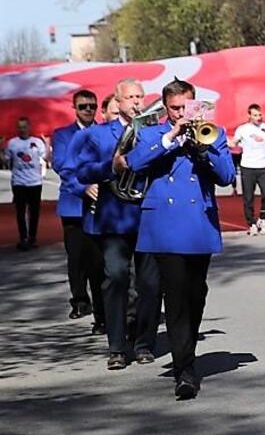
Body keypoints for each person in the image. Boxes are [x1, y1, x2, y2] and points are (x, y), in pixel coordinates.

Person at [124, 79, 235, 399]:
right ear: (165, 108)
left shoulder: (214, 133)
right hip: (165, 226)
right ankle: (185, 369)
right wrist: (171, 138)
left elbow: (227, 176)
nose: (180, 114)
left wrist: (204, 151)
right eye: (174, 109)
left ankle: (185, 351)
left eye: (185, 108)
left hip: (198, 224)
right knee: (174, 295)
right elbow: (135, 162)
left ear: (195, 104)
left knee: (195, 292)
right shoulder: (151, 133)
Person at [75, 79, 162, 369]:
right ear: (119, 101)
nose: (136, 101)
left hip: (149, 215)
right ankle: (116, 346)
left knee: (150, 284)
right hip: (115, 216)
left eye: (140, 96)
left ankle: (144, 343)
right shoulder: (99, 135)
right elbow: (83, 171)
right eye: (130, 97)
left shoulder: (155, 131)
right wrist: (111, 166)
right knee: (116, 277)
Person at [50, 90, 102, 317]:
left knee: (99, 258)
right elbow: (61, 164)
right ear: (75, 109)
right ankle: (80, 300)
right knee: (77, 256)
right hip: (74, 203)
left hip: (102, 203)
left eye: (92, 105)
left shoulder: (104, 131)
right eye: (83, 106)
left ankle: (102, 304)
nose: (88, 110)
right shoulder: (62, 135)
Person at [230, 104, 265, 235]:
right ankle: (251, 223)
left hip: (263, 166)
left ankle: (262, 220)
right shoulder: (243, 129)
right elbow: (233, 143)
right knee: (248, 197)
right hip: (248, 166)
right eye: (255, 115)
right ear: (249, 116)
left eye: (260, 115)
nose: (258, 118)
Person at [6, 116, 47, 250]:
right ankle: (23, 237)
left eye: (24, 127)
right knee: (20, 212)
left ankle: (32, 238)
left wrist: (47, 144)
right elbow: (5, 159)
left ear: (29, 127)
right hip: (19, 183)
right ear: (17, 128)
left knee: (34, 212)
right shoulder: (12, 143)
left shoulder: (37, 142)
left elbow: (46, 157)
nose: (22, 129)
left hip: (35, 183)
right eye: (20, 127)